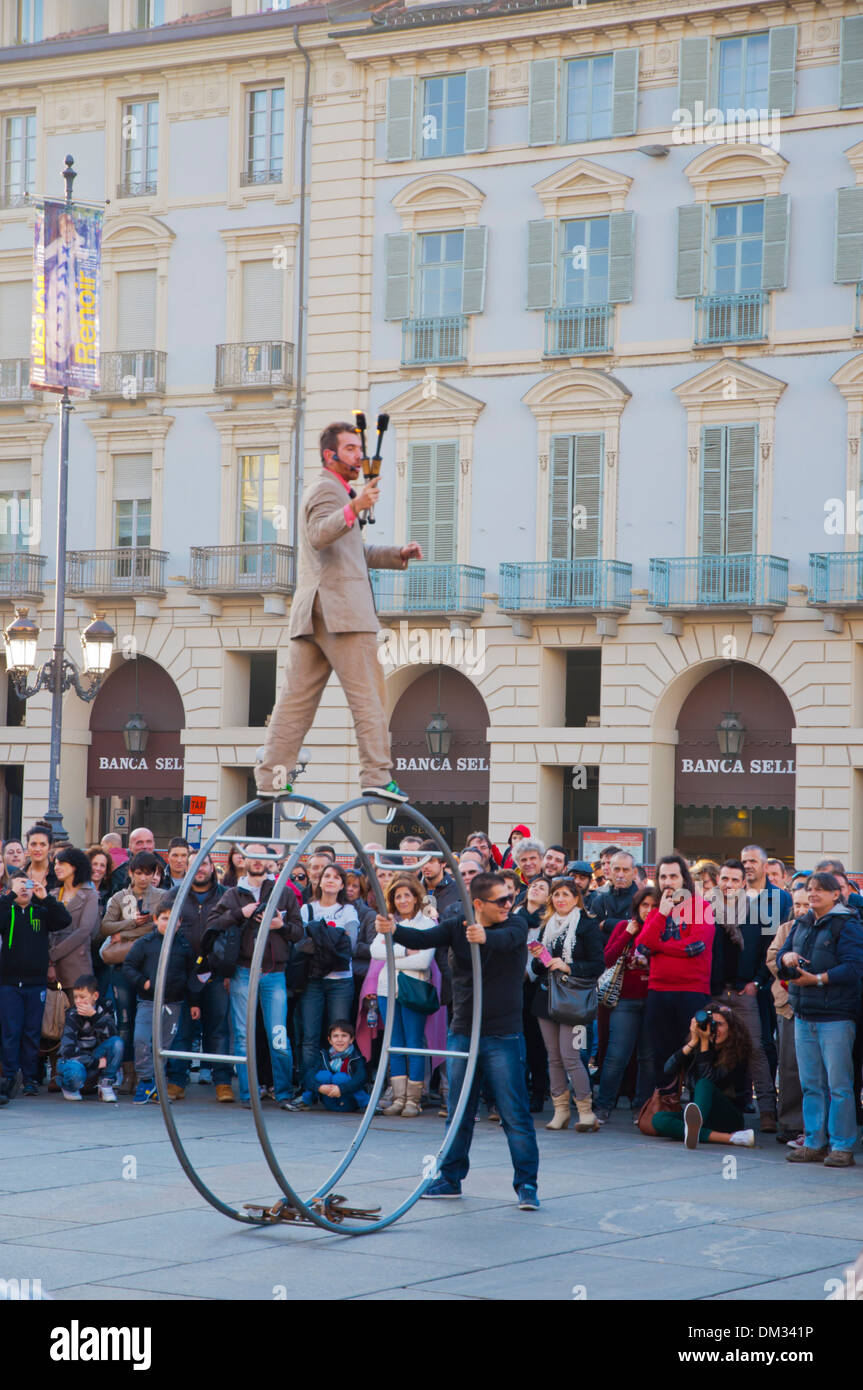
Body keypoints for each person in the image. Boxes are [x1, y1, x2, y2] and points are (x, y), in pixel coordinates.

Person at [254, 420, 423, 805]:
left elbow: (351, 555)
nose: (358, 455)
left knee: (295, 704)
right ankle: (377, 776)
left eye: (358, 449)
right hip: (344, 614)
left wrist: (397, 554)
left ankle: (272, 779)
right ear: (330, 455)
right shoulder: (328, 490)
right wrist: (355, 507)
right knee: (369, 698)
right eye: (350, 449)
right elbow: (318, 534)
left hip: (314, 613)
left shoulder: (333, 492)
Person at [376, 871, 541, 1211]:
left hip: (503, 1034)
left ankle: (526, 1185)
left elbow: (505, 941)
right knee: (458, 1112)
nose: (509, 904)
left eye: (510, 897)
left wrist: (482, 937)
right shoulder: (457, 926)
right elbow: (424, 938)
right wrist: (393, 930)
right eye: (501, 900)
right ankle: (450, 1178)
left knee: (514, 1114)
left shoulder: (516, 925)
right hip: (464, 1030)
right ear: (478, 904)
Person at [206, 843, 304, 1110]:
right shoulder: (233, 894)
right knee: (242, 1035)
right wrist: (241, 913)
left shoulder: (283, 892)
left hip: (275, 973)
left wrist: (281, 925)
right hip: (242, 971)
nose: (257, 861)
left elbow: (299, 932)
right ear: (244, 859)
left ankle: (282, 1093)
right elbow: (212, 924)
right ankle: (249, 1095)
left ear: (269, 861)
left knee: (278, 1035)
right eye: (253, 856)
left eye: (262, 856)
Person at [777, 871, 863, 1166]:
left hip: (836, 1017)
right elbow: (782, 954)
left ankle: (842, 1146)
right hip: (803, 1014)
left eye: (819, 890)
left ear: (835, 894)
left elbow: (854, 968)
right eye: (809, 889)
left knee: (839, 1085)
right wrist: (786, 959)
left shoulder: (847, 924)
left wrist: (818, 979)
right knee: (811, 1084)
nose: (812, 894)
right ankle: (814, 1142)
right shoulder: (801, 923)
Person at [528, 876, 604, 1133]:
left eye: (566, 895)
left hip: (574, 1001)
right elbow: (539, 969)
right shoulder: (546, 925)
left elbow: (597, 964)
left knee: (571, 1057)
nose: (560, 899)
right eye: (556, 895)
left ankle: (586, 1112)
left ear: (576, 898)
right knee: (553, 1058)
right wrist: (539, 958)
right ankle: (560, 1110)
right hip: (547, 999)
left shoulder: (586, 925)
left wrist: (569, 966)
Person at [709, 857, 777, 1132]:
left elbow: (768, 952)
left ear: (743, 883)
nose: (729, 884)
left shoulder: (758, 912)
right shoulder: (705, 911)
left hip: (744, 992)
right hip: (713, 992)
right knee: (709, 1049)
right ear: (718, 881)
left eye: (735, 880)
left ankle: (768, 1114)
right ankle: (711, 1109)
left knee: (756, 1051)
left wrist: (757, 982)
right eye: (724, 879)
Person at [636, 853, 715, 1093]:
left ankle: (696, 1109)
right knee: (661, 1054)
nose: (667, 881)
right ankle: (666, 1104)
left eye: (673, 876)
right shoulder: (656, 911)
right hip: (658, 992)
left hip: (692, 991)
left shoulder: (702, 907)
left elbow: (694, 947)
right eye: (662, 877)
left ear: (684, 879)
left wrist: (658, 947)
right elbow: (641, 946)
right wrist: (661, 915)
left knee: (696, 1054)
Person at [163, 853, 233, 1103]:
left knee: (218, 1030)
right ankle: (177, 1081)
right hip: (181, 974)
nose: (199, 869)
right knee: (180, 1031)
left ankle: (223, 1082)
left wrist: (227, 970)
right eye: (194, 865)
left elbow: (233, 933)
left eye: (203, 864)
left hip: (215, 974)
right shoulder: (174, 895)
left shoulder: (226, 894)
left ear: (212, 867)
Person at [100, 851, 168, 1095]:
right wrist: (132, 924)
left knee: (149, 1023)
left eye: (148, 873)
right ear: (130, 872)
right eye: (139, 873)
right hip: (122, 967)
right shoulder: (119, 897)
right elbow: (105, 927)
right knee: (125, 1021)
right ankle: (129, 1073)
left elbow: (162, 927)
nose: (143, 878)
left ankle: (146, 1074)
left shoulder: (162, 896)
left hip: (151, 965)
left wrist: (126, 935)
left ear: (155, 874)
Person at [0, 872, 71, 1103]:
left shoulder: (41, 912)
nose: (24, 890)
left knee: (32, 1032)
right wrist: (10, 895)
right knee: (11, 1031)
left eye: (28, 885)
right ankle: (10, 1077)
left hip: (36, 983)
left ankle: (30, 1078)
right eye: (20, 885)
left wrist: (45, 898)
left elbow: (64, 920)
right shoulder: (6, 910)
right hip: (9, 983)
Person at [370, 875, 436, 1118]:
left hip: (414, 990)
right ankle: (398, 1098)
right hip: (387, 989)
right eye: (398, 896)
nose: (403, 900)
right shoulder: (388, 922)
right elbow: (375, 951)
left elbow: (424, 960)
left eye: (407, 895)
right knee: (394, 1044)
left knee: (413, 1044)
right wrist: (405, 950)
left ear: (416, 897)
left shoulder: (427, 924)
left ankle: (413, 1100)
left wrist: (392, 956)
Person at [123, 903, 201, 1106]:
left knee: (164, 1046)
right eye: (165, 918)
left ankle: (157, 1084)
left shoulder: (184, 946)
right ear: (156, 919)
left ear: (180, 923)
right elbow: (129, 967)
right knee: (141, 1040)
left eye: (174, 919)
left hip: (174, 1004)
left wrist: (194, 1003)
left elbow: (192, 976)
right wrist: (144, 982)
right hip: (148, 1002)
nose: (169, 922)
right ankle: (146, 1081)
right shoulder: (145, 943)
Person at [296, 863, 359, 1106]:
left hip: (341, 982)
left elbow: (350, 946)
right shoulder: (306, 910)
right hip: (313, 980)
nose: (331, 880)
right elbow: (302, 945)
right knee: (310, 1037)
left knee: (341, 1036)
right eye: (326, 876)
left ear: (342, 884)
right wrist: (332, 941)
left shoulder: (348, 911)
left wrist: (320, 942)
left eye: (336, 877)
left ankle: (339, 1087)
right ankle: (309, 1090)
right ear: (319, 882)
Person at [594, 886, 657, 1124]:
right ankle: (604, 1105)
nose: (649, 910)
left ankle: (641, 1106)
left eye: (653, 906)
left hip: (653, 1001)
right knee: (616, 1055)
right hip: (625, 1000)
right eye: (644, 905)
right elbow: (607, 958)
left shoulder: (664, 929)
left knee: (648, 1057)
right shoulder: (624, 927)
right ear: (637, 907)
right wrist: (628, 933)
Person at [652, 1004, 755, 1149]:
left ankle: (697, 1130)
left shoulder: (737, 1054)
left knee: (704, 1084)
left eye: (719, 1025)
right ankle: (731, 1138)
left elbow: (709, 1079)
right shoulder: (698, 1046)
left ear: (731, 1030)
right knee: (659, 1120)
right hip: (699, 1115)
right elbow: (668, 1069)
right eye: (711, 1024)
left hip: (728, 1116)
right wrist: (694, 1042)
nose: (714, 1030)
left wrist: (705, 1043)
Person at [766, 884, 807, 1146]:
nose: (802, 910)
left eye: (807, 904)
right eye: (798, 905)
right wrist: (788, 971)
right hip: (787, 1005)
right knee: (789, 1066)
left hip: (817, 1005)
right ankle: (791, 1123)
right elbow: (772, 958)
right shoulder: (786, 929)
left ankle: (815, 1126)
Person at [513, 875, 551, 1113]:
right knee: (516, 1042)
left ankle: (538, 1092)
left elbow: (546, 956)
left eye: (543, 887)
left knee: (536, 1043)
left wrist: (529, 973)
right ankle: (517, 1090)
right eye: (534, 885)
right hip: (510, 985)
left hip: (535, 986)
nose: (536, 889)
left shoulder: (548, 921)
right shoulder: (515, 916)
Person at [56, 974, 123, 1103]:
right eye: (75, 997)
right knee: (74, 1071)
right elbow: (67, 1050)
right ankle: (69, 1087)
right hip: (77, 1061)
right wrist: (96, 1063)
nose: (78, 1001)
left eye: (82, 997)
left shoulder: (105, 1006)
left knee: (117, 1043)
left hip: (96, 1056)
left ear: (95, 996)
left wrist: (94, 1016)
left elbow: (112, 1034)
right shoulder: (72, 1014)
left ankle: (105, 1084)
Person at [50, 847, 102, 1000]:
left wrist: (53, 954)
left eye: (61, 863)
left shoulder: (89, 895)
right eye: (55, 864)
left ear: (75, 866)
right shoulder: (52, 895)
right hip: (51, 969)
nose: (56, 867)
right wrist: (48, 962)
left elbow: (85, 930)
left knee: (78, 1017)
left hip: (77, 966)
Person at [313, 1020, 369, 1112]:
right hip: (329, 1102)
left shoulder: (356, 1058)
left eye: (344, 1036)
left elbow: (361, 1078)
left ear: (351, 1039)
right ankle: (305, 1101)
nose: (339, 1040)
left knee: (340, 1078)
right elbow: (309, 1075)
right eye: (335, 1036)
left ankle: (369, 1105)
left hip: (349, 1102)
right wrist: (319, 1087)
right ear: (330, 1040)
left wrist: (341, 1089)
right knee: (322, 1075)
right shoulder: (324, 1055)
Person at [592, 850, 639, 935]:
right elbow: (593, 931)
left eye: (625, 870)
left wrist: (607, 923)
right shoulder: (599, 901)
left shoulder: (642, 900)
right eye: (617, 869)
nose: (620, 875)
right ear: (610, 871)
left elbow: (640, 926)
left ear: (634, 872)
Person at [24, 823, 58, 892]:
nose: (37, 849)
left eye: (43, 844)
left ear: (50, 847)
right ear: (27, 846)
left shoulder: (58, 874)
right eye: (33, 844)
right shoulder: (19, 875)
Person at [86, 846, 114, 916]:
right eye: (94, 864)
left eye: (102, 865)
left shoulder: (109, 894)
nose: (98, 868)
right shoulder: (79, 890)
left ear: (106, 871)